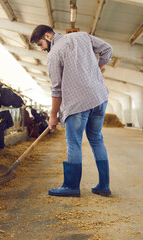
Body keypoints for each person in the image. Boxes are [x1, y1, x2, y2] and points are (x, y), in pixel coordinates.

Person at [30, 25, 112, 197]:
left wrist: (53, 116)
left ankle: (71, 186)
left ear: (48, 36)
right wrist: (98, 69)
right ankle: (104, 186)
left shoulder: (53, 55)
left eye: (40, 44)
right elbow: (107, 49)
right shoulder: (82, 36)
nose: (42, 49)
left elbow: (56, 90)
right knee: (96, 139)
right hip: (99, 97)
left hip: (77, 103)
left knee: (74, 143)